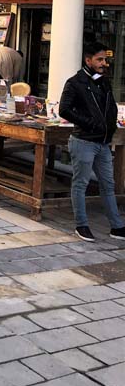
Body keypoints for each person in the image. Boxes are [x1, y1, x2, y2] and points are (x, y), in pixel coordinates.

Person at [59, 41, 125, 242]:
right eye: (99, 59)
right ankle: (81, 225)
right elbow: (64, 110)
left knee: (108, 184)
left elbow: (109, 106)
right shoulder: (75, 83)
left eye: (105, 59)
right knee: (81, 183)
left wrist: (110, 125)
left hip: (103, 142)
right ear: (88, 60)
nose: (104, 63)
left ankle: (117, 226)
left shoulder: (102, 81)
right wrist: (90, 124)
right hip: (84, 141)